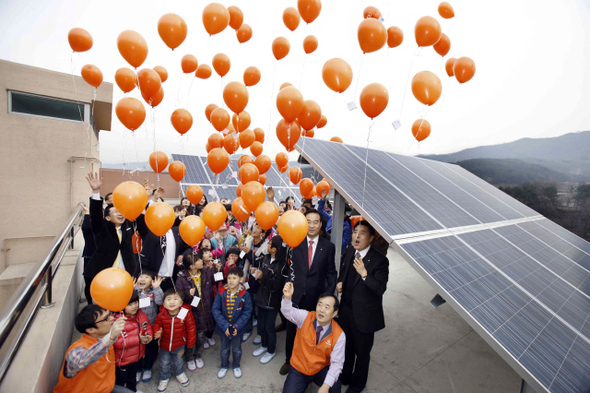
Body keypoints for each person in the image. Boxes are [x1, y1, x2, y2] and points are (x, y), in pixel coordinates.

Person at [280, 209, 337, 376]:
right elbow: (289, 270)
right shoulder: (295, 243)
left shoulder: (328, 247)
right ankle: (288, 361)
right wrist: (287, 291)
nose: (312, 225)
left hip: (316, 300)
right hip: (296, 297)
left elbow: (331, 274)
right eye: (308, 221)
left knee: (312, 334)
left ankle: (309, 364)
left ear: (321, 225)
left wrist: (326, 299)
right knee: (292, 332)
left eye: (315, 222)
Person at [336, 221, 389, 393]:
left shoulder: (380, 261)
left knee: (362, 353)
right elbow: (343, 272)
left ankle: (357, 385)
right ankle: (344, 376)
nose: (356, 236)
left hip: (364, 316)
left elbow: (380, 288)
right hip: (346, 311)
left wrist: (365, 274)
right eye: (354, 231)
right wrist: (340, 282)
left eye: (362, 233)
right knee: (346, 347)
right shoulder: (350, 250)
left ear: (371, 238)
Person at [281, 282, 345, 393]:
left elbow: (337, 363)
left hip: (320, 369)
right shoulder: (305, 317)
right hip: (299, 368)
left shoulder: (339, 334)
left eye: (327, 307)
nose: (321, 310)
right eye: (320, 305)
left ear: (334, 313)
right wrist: (287, 298)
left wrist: (325, 386)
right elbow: (287, 312)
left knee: (334, 387)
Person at [53, 304, 129, 393]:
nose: (112, 319)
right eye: (106, 319)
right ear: (91, 330)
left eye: (110, 314)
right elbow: (83, 360)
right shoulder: (77, 349)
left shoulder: (104, 339)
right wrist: (110, 338)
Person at [84, 173, 136, 299]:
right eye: (116, 211)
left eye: (121, 211)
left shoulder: (128, 227)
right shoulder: (101, 228)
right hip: (103, 274)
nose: (120, 214)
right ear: (107, 217)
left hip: (124, 274)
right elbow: (96, 215)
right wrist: (95, 191)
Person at [136, 185, 190, 292]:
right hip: (153, 280)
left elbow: (188, 247)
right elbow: (141, 219)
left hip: (171, 280)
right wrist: (150, 199)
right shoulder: (151, 232)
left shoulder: (176, 232)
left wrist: (182, 255)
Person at [175, 250, 216, 371]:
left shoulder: (206, 272)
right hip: (193, 314)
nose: (201, 260)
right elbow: (179, 297)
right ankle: (189, 358)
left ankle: (198, 356)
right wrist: (188, 295)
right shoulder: (182, 278)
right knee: (192, 337)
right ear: (192, 266)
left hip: (206, 310)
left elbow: (215, 281)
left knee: (201, 336)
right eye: (198, 260)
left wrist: (217, 270)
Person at [252, 235, 288, 365]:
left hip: (272, 302)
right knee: (261, 325)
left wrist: (262, 277)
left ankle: (271, 351)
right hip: (261, 299)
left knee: (269, 327)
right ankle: (264, 345)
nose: (267, 245)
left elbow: (276, 287)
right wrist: (256, 272)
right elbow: (262, 274)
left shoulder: (283, 266)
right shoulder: (265, 258)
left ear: (275, 249)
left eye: (270, 244)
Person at [211, 267, 253, 379]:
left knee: (237, 349)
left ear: (240, 279)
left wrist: (237, 326)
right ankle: (224, 365)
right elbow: (215, 309)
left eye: (234, 278)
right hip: (223, 328)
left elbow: (247, 312)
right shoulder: (221, 292)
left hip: (237, 330)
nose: (231, 280)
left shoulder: (245, 294)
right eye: (229, 278)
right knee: (224, 349)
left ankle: (236, 365)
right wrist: (225, 326)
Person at [153, 288, 196, 392]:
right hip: (164, 345)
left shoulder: (186, 313)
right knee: (164, 363)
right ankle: (164, 378)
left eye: (175, 299)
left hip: (180, 344)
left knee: (179, 361)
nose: (172, 302)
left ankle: (179, 373)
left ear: (181, 302)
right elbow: (156, 326)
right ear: (163, 303)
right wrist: (157, 332)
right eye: (168, 299)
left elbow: (191, 328)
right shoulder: (161, 315)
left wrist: (190, 342)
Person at [113, 292, 153, 393]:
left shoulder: (141, 314)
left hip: (136, 357)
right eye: (129, 304)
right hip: (122, 361)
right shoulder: (117, 321)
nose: (134, 306)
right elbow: (117, 342)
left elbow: (147, 325)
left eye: (135, 303)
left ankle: (133, 390)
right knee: (120, 382)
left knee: (132, 378)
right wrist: (138, 339)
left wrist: (148, 334)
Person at [241, 223, 271, 343]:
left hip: (259, 282)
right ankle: (247, 330)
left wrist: (249, 253)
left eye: (258, 228)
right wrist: (241, 252)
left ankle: (259, 333)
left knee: (259, 309)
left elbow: (261, 264)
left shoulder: (266, 246)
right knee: (247, 307)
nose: (254, 229)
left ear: (263, 234)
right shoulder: (248, 240)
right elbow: (243, 260)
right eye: (254, 227)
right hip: (247, 279)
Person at [134, 271, 163, 382]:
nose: (143, 279)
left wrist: (157, 288)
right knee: (137, 349)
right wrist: (130, 289)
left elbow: (160, 302)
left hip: (151, 325)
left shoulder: (154, 291)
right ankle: (138, 369)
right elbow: (127, 302)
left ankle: (147, 368)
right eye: (140, 276)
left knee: (150, 349)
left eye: (146, 277)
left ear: (152, 281)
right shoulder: (134, 291)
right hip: (136, 326)